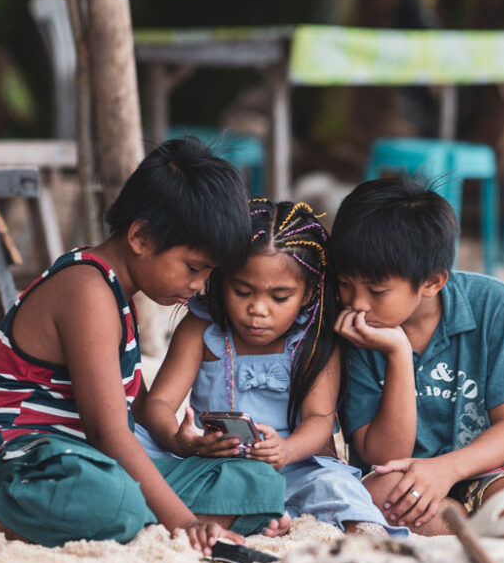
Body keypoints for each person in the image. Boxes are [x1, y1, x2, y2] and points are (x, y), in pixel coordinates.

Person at [0, 138, 287, 554]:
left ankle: (126, 515)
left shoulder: (120, 297)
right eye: (193, 268)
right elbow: (109, 433)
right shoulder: (86, 289)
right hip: (20, 464)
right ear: (142, 237)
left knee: (259, 483)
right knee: (111, 498)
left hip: (90, 464)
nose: (198, 286)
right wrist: (186, 523)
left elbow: (136, 407)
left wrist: (184, 444)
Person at [135, 200, 407, 538]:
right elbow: (159, 404)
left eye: (279, 297)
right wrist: (182, 442)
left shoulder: (312, 336)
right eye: (242, 291)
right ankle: (260, 514)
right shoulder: (201, 329)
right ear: (221, 279)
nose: (257, 310)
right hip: (210, 462)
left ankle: (346, 530)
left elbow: (319, 419)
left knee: (334, 486)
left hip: (293, 466)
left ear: (308, 293)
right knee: (134, 440)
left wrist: (286, 450)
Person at [329, 177, 504, 535]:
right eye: (345, 284)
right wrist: (397, 354)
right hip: (397, 477)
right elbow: (382, 456)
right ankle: (464, 528)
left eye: (377, 290)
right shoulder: (351, 330)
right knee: (398, 504)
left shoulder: (494, 304)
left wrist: (446, 470)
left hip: (486, 468)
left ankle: (479, 522)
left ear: (432, 282)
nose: (357, 303)